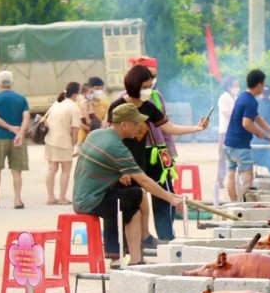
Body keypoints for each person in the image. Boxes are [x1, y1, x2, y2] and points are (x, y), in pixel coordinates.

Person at [106, 64, 207, 251]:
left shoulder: (149, 106)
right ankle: (116, 249)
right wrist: (118, 169)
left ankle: (154, 239)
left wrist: (196, 128)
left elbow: (169, 128)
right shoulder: (118, 105)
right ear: (134, 85)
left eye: (150, 85)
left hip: (144, 158)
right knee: (125, 205)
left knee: (151, 197)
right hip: (121, 161)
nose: (148, 90)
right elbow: (109, 138)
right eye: (145, 86)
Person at [73, 103, 185, 266]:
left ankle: (134, 260)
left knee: (132, 210)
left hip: (82, 197)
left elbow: (103, 164)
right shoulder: (117, 147)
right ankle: (145, 237)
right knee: (138, 193)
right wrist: (172, 199)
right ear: (124, 124)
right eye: (136, 123)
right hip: (92, 201)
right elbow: (144, 180)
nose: (139, 127)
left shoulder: (96, 134)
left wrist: (121, 174)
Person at [225, 69, 270, 201]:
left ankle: (234, 204)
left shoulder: (243, 97)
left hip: (229, 143)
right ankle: (245, 207)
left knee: (231, 174)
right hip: (241, 146)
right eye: (263, 83)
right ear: (259, 84)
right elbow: (246, 123)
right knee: (247, 178)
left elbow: (256, 117)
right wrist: (259, 132)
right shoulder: (251, 101)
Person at [0, 70, 30, 209]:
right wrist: (20, 133)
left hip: (0, 137)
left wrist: (9, 127)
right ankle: (17, 200)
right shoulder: (21, 98)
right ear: (12, 83)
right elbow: (26, 117)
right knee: (17, 170)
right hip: (17, 139)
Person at [44, 81, 82, 205]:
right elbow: (75, 130)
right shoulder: (74, 108)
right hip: (64, 142)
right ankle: (62, 198)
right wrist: (74, 144)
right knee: (66, 170)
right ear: (76, 94)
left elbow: (45, 120)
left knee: (51, 169)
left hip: (50, 140)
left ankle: (50, 197)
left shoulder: (57, 103)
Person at [214, 75, 240, 204]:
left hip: (233, 130)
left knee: (231, 156)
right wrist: (238, 110)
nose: (237, 88)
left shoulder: (235, 98)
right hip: (224, 130)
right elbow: (225, 113)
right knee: (222, 156)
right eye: (235, 85)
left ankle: (227, 178)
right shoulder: (224, 97)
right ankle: (219, 180)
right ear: (229, 86)